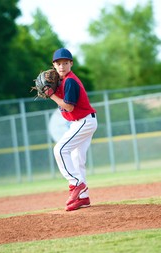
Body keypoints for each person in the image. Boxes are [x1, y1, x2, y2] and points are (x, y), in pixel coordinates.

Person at [47, 48, 97, 211]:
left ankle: (76, 184)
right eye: (58, 63)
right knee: (77, 159)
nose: (62, 66)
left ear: (71, 64)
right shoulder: (61, 81)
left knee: (60, 150)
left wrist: (52, 96)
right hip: (81, 122)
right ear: (54, 65)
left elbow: (68, 106)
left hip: (84, 121)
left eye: (65, 63)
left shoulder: (70, 81)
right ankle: (83, 198)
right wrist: (53, 91)